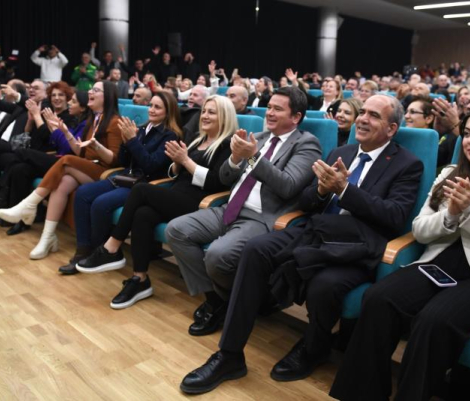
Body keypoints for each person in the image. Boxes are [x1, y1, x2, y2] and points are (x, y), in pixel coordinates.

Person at [178, 94, 423, 395]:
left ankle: (314, 347)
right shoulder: (343, 151)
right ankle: (229, 354)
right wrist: (321, 190)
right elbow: (306, 201)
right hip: (316, 232)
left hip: (355, 245)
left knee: (324, 285)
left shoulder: (407, 164)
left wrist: (344, 190)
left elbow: (394, 216)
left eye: (374, 115)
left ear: (392, 128)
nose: (362, 119)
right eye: (363, 112)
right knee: (256, 249)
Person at [329, 108, 470, 401]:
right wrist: (450, 215)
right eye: (467, 133)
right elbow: (421, 230)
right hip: (439, 261)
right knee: (378, 298)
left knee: (433, 320)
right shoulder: (450, 174)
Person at [164, 86, 322, 338]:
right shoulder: (258, 137)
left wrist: (253, 157)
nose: (269, 113)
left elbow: (288, 186)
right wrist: (235, 159)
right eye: (269, 107)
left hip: (261, 218)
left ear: (296, 117)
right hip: (229, 208)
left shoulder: (306, 144)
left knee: (217, 255)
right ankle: (216, 300)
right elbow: (226, 178)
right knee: (176, 230)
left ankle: (244, 300)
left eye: (278, 109)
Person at [75, 96, 236, 308]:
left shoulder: (227, 145)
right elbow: (175, 174)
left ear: (224, 116)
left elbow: (216, 182)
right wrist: (177, 163)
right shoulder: (198, 140)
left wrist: (185, 160)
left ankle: (111, 248)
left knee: (141, 189)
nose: (204, 116)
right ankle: (139, 279)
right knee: (142, 214)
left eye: (211, 112)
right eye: (204, 111)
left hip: (199, 203)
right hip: (177, 194)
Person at [56, 90, 182, 270]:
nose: (152, 110)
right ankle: (83, 249)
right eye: (151, 105)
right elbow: (123, 161)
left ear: (168, 112)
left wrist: (132, 140)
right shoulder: (141, 129)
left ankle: (102, 253)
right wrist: (125, 142)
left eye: (158, 107)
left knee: (100, 203)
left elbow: (150, 166)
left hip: (142, 185)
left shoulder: (170, 135)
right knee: (82, 193)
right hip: (125, 176)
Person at [0, 80, 123, 259]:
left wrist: (97, 146)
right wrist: (66, 132)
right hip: (88, 167)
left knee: (66, 160)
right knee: (62, 183)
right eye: (91, 89)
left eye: (95, 90)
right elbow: (80, 151)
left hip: (105, 174)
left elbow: (114, 160)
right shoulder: (94, 119)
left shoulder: (115, 122)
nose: (90, 92)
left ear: (107, 96)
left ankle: (29, 204)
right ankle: (47, 237)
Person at [0, 90, 91, 232]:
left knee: (18, 153)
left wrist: (55, 129)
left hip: (64, 162)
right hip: (54, 156)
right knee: (20, 168)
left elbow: (66, 147)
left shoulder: (77, 121)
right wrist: (36, 122)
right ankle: (18, 219)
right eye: (54, 95)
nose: (68, 102)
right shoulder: (71, 118)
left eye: (71, 100)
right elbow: (43, 140)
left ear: (83, 107)